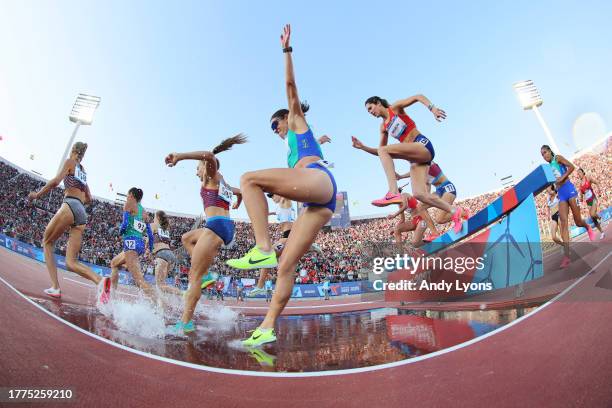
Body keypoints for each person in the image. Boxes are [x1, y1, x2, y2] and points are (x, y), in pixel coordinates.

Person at [226, 25, 337, 346]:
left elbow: (290, 87)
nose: (275, 129)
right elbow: (278, 187)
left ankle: (262, 248)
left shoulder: (296, 120)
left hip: (319, 182)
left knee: (250, 178)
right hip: (317, 203)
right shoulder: (294, 148)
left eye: (276, 124)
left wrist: (287, 51)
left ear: (287, 118)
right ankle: (267, 327)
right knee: (286, 263)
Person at [165, 134, 245, 333]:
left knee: (195, 276)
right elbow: (240, 191)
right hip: (224, 226)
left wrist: (180, 156)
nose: (196, 172)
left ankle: (186, 323)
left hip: (216, 226)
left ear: (205, 166)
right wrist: (238, 201)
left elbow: (209, 155)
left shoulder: (212, 175)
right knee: (186, 238)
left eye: (197, 168)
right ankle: (207, 276)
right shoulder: (223, 182)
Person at [352, 95, 464, 233]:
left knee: (384, 150)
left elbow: (418, 97)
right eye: (368, 112)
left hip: (422, 145)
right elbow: (381, 153)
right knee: (419, 194)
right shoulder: (383, 127)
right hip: (416, 159)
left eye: (370, 108)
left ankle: (393, 192)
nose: (370, 112)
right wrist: (363, 147)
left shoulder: (395, 108)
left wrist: (432, 108)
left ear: (378, 103)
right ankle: (455, 211)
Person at [27, 142, 110, 302]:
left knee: (47, 242)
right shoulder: (83, 171)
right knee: (71, 262)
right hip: (81, 212)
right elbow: (89, 198)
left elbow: (55, 181)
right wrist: (78, 206)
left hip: (70, 204)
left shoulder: (70, 162)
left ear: (73, 150)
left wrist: (37, 195)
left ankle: (55, 288)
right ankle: (100, 281)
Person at [249, 193, 324, 297]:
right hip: (289, 235)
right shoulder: (280, 206)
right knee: (269, 258)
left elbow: (285, 191)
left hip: (288, 236)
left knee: (267, 256)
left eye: (273, 196)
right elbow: (275, 212)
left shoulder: (285, 201)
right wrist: (268, 213)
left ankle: (260, 287)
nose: (272, 198)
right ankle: (310, 247)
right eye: (270, 197)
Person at [540, 145, 595, 268]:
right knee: (563, 223)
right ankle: (567, 256)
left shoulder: (558, 158)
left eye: (545, 152)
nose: (544, 156)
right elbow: (552, 182)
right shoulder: (548, 168)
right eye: (542, 155)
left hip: (569, 190)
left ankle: (587, 227)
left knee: (578, 221)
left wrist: (562, 178)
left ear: (549, 151)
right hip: (561, 195)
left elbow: (572, 167)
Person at [110, 187, 157, 300]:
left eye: (127, 195)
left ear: (131, 195)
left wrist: (121, 232)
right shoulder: (145, 213)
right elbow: (150, 235)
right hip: (140, 244)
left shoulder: (129, 204)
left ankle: (160, 304)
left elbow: (125, 224)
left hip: (131, 242)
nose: (127, 197)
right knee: (114, 263)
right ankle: (112, 296)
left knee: (139, 279)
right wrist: (150, 249)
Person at [151, 210, 181, 295]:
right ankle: (162, 306)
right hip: (170, 255)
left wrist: (147, 251)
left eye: (154, 216)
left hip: (161, 254)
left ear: (157, 217)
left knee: (160, 285)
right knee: (163, 285)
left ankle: (184, 294)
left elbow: (148, 240)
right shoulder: (165, 229)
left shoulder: (153, 225)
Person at [577, 168, 605, 239]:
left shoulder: (588, 178)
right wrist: (579, 199)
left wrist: (599, 191)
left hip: (593, 198)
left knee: (592, 214)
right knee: (593, 218)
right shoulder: (580, 185)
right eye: (578, 173)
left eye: (580, 172)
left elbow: (597, 183)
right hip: (588, 202)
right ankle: (602, 232)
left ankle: (600, 218)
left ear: (583, 173)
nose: (579, 174)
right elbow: (581, 197)